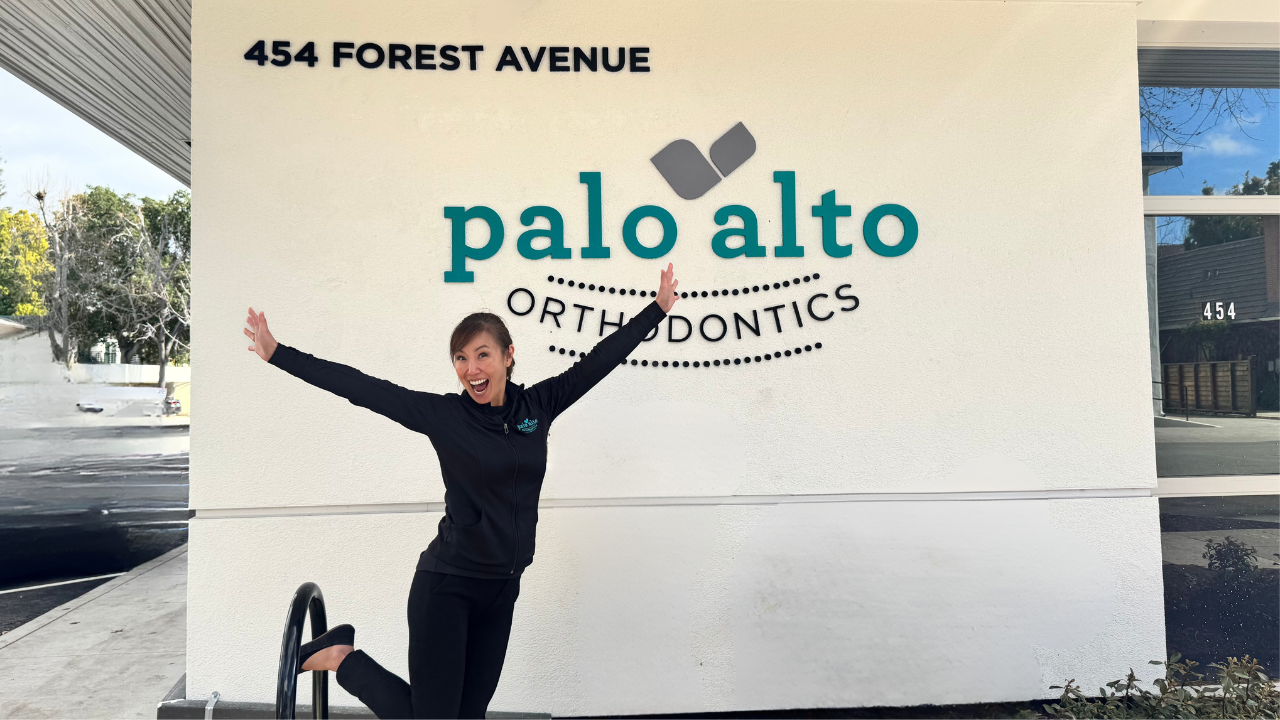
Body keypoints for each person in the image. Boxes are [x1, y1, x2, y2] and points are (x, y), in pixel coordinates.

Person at [242, 263, 681, 719]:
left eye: (482, 355)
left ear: (509, 356)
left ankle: (340, 654)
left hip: (503, 590)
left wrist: (657, 310)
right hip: (448, 586)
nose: (471, 369)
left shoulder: (538, 406)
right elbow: (363, 388)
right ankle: (342, 659)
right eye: (460, 358)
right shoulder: (446, 416)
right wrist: (279, 354)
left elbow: (597, 362)